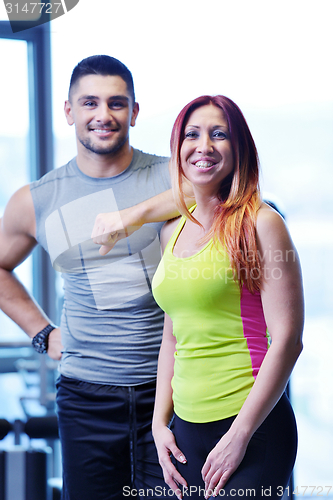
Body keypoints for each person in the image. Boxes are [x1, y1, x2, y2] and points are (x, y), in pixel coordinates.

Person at [0, 55, 189, 499]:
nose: (103, 115)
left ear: (134, 112)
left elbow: (236, 191)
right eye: (89, 103)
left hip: (171, 390)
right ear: (69, 112)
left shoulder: (171, 178)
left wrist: (136, 213)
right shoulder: (38, 199)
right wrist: (42, 333)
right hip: (85, 396)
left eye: (116, 103)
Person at [151, 95, 304, 499]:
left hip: (251, 428)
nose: (204, 145)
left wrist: (239, 436)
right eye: (192, 134)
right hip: (186, 431)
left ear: (239, 150)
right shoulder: (172, 231)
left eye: (219, 134)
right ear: (178, 148)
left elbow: (288, 340)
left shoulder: (261, 223)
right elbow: (173, 336)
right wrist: (157, 423)